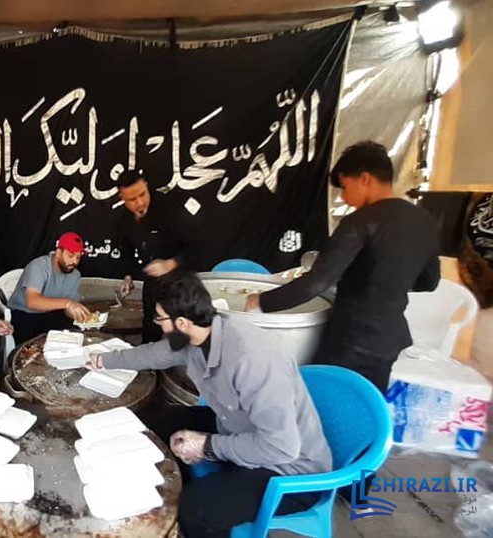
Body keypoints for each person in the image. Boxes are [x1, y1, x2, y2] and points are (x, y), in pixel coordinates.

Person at [86, 272, 331, 537]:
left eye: (160, 318)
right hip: (237, 427)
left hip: (288, 472)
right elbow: (156, 353)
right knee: (152, 421)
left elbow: (281, 447)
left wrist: (207, 446)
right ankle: (169, 488)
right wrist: (104, 360)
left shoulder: (252, 361)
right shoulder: (200, 330)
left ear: (181, 322)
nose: (158, 324)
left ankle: (196, 507)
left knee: (196, 509)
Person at [246, 141, 441, 394]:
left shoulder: (360, 221)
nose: (344, 198)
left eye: (345, 187)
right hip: (388, 340)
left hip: (351, 340)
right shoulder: (425, 221)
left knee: (326, 401)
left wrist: (260, 302)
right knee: (365, 404)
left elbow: (317, 283)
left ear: (365, 179)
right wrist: (390, 280)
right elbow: (430, 281)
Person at [114, 170, 200, 343]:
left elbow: (198, 248)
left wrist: (170, 264)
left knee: (178, 333)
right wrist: (128, 276)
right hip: (152, 281)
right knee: (150, 327)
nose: (139, 203)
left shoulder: (170, 208)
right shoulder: (124, 218)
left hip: (180, 282)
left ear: (146, 186)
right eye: (132, 199)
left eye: (142, 195)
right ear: (122, 198)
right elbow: (126, 247)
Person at [8, 232, 91, 344]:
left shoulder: (75, 275)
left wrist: (80, 315)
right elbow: (32, 302)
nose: (74, 261)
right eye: (70, 256)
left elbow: (68, 309)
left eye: (78, 257)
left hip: (52, 314)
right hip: (24, 314)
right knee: (33, 348)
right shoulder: (39, 266)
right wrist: (68, 303)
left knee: (75, 339)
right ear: (58, 253)